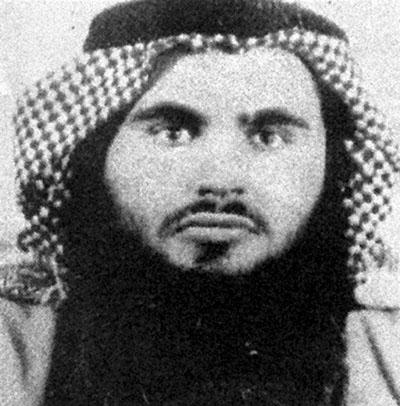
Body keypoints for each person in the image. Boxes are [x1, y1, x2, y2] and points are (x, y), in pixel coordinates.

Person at [1, 0, 400, 404]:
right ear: (95, 152)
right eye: (173, 133)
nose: (220, 182)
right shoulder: (13, 344)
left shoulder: (389, 349)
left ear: (334, 164)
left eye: (269, 137)